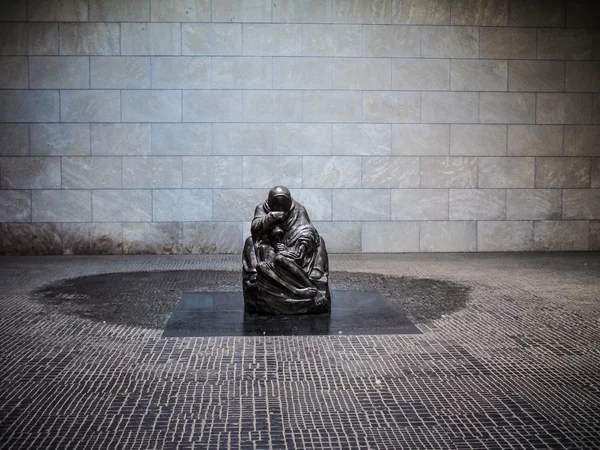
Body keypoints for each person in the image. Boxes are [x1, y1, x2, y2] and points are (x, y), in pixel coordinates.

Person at [242, 186, 329, 308]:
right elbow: (255, 230)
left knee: (319, 241)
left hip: (293, 245)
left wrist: (301, 247)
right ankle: (254, 275)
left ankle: (314, 275)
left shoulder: (299, 209)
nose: (280, 207)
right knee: (250, 242)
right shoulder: (261, 208)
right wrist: (271, 217)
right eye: (276, 203)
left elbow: (307, 230)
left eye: (284, 203)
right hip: (269, 245)